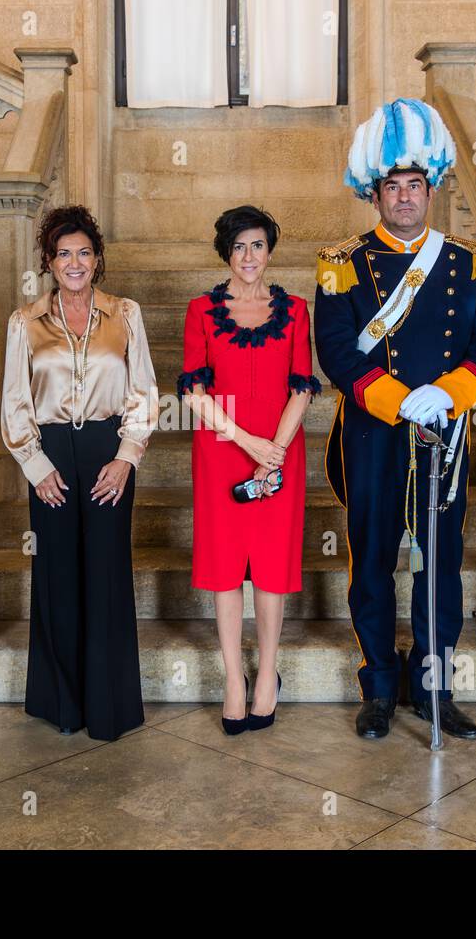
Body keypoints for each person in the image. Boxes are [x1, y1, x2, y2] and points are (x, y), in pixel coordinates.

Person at [315, 98, 476, 742]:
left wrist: (451, 392)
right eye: (392, 187)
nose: (403, 197)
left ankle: (434, 688)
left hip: (445, 435)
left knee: (439, 562)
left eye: (414, 186)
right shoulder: (342, 264)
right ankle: (377, 686)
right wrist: (398, 399)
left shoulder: (466, 261)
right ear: (374, 194)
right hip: (372, 434)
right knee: (371, 561)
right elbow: (337, 350)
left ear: (431, 189)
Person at [0, 204, 158, 741]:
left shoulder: (125, 314)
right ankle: (61, 702)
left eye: (84, 252)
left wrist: (126, 456)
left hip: (108, 452)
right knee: (57, 578)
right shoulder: (24, 321)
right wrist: (34, 464)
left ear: (97, 260)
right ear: (48, 261)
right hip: (50, 458)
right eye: (63, 253)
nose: (74, 262)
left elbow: (143, 393)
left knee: (107, 576)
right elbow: (15, 401)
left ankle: (109, 706)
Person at [178, 205, 319, 735]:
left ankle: (267, 678)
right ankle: (234, 679)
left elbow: (302, 384)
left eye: (257, 245)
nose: (248, 256)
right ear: (226, 252)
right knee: (226, 564)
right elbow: (193, 389)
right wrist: (246, 441)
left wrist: (274, 449)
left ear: (270, 250)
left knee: (270, 563)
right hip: (223, 447)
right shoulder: (201, 310)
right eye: (239, 246)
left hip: (280, 448)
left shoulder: (297, 310)